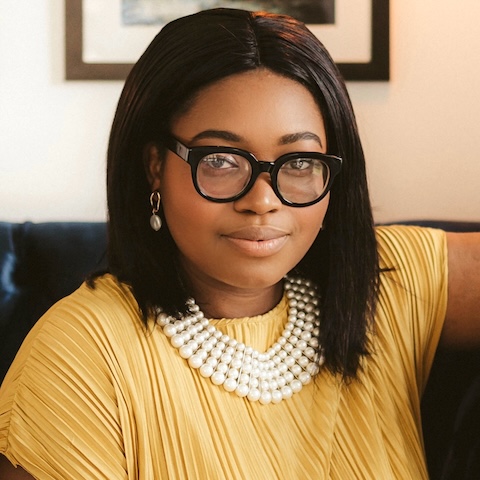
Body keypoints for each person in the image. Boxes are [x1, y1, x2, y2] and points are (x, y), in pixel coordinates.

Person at [0, 7, 479, 479]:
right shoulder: (82, 354)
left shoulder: (386, 284)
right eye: (222, 161)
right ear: (154, 166)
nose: (263, 201)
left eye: (297, 163)